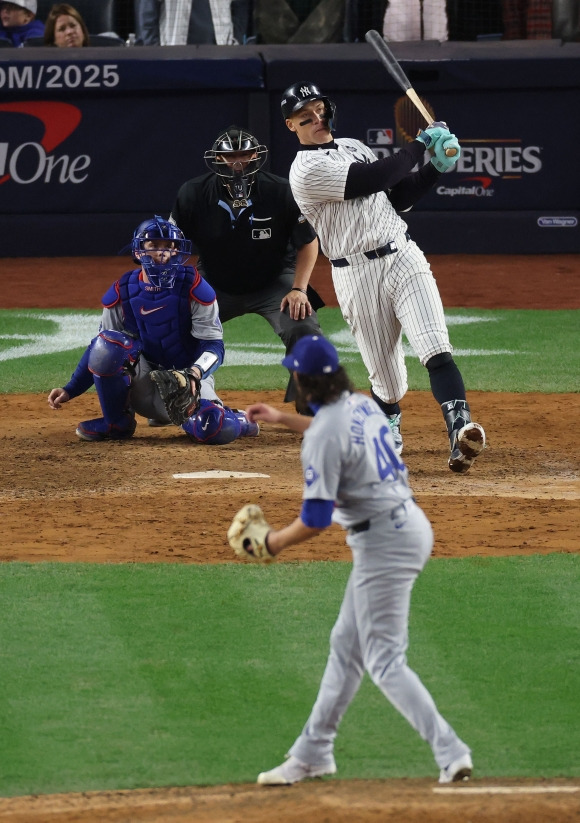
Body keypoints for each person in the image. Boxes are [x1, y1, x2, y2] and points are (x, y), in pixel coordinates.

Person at [230, 334, 474, 785]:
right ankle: (313, 753)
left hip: (384, 544)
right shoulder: (361, 404)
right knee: (346, 647)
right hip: (410, 526)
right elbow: (332, 431)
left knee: (383, 661)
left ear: (304, 381)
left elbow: (317, 517)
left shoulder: (323, 435)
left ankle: (451, 750)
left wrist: (272, 544)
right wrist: (283, 419)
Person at [280, 81, 486, 472]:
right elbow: (372, 179)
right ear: (292, 125)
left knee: (435, 347)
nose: (316, 118)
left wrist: (435, 169)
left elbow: (396, 196)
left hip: (403, 255)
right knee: (387, 380)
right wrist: (422, 143)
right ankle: (387, 420)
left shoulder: (354, 146)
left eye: (319, 109)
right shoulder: (306, 171)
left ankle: (460, 431)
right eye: (304, 115)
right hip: (356, 276)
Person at [47, 215, 259, 445]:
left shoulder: (195, 287)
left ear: (177, 251)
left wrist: (194, 374)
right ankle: (116, 422)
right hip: (144, 382)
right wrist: (71, 389)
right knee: (109, 343)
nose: (162, 252)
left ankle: (241, 420)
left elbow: (214, 345)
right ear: (139, 251)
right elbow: (100, 349)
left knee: (215, 428)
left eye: (169, 247)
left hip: (186, 383)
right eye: (154, 246)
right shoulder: (124, 290)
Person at [170, 125, 324, 410]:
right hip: (215, 281)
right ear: (217, 158)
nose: (237, 162)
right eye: (230, 156)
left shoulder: (280, 190)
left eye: (244, 153)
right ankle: (175, 399)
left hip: (274, 280)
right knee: (171, 324)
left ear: (256, 155)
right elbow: (173, 245)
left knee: (304, 326)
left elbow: (309, 242)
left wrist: (299, 289)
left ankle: (310, 404)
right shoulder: (193, 193)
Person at [134, 0, 237, 45]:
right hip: (174, 54)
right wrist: (155, 50)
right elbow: (147, 15)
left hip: (221, 52)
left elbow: (240, 8)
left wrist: (237, 41)